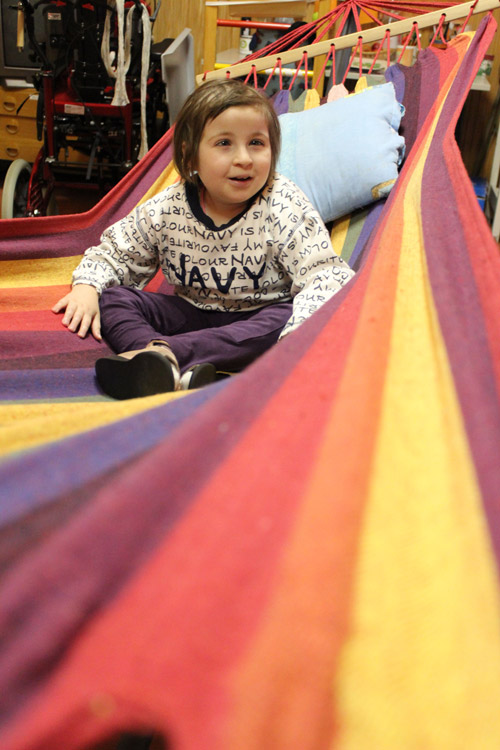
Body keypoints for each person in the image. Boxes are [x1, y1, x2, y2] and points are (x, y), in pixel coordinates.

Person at [52, 79, 354, 400]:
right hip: (190, 313)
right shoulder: (169, 207)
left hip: (257, 318)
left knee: (287, 317)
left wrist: (298, 338)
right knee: (114, 299)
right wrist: (87, 286)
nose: (244, 158)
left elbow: (325, 276)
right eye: (224, 143)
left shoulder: (283, 204)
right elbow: (116, 253)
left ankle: (161, 356)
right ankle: (163, 366)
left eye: (256, 143)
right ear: (190, 156)